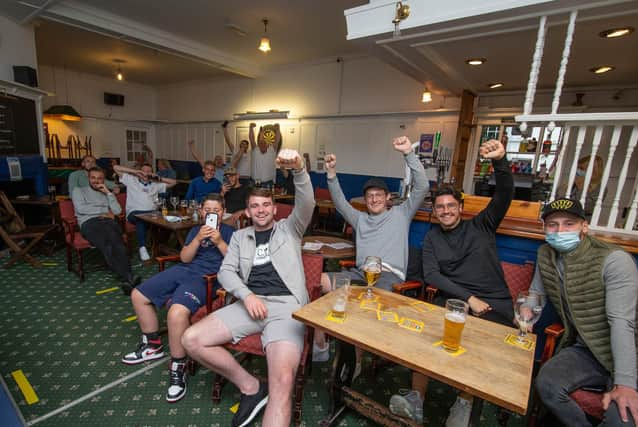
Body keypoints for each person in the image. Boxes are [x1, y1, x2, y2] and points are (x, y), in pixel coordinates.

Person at [181, 149, 314, 427]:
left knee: (282, 383)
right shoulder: (241, 236)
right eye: (255, 206)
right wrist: (247, 295)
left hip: (286, 309)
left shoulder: (291, 229)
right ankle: (252, 387)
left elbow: (307, 202)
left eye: (266, 205)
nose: (261, 210)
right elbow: (227, 272)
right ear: (248, 210)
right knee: (191, 339)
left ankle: (268, 393)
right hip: (249, 304)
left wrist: (300, 170)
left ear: (274, 209)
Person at [397, 138, 514, 426]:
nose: (446, 211)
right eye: (440, 207)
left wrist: (500, 162)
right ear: (433, 211)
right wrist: (467, 299)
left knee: (480, 352)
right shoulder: (432, 238)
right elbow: (432, 275)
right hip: (454, 301)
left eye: (451, 205)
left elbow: (505, 195)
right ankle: (417, 399)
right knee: (422, 335)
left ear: (460, 207)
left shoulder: (482, 225)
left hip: (494, 304)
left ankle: (464, 402)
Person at [317, 136, 428, 366]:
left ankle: (354, 361)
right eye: (370, 196)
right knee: (318, 282)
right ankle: (320, 343)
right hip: (360, 274)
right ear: (365, 200)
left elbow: (423, 186)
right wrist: (331, 174)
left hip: (388, 277)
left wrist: (408, 154)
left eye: (379, 195)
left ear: (389, 198)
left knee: (364, 308)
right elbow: (339, 203)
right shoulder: (360, 219)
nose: (374, 199)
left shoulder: (401, 213)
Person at [533, 198, 638, 427]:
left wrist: (626, 384)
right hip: (587, 350)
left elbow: (622, 322)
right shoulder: (545, 254)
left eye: (568, 224)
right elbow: (535, 296)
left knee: (622, 420)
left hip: (632, 353)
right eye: (553, 225)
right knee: (546, 384)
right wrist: (524, 311)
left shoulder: (615, 260)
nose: (560, 231)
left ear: (584, 226)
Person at [122, 194, 234, 403]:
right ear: (202, 211)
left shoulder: (231, 232)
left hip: (207, 278)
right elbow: (184, 258)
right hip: (185, 269)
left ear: (223, 212)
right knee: (138, 295)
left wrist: (218, 242)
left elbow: (235, 263)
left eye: (216, 210)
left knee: (176, 312)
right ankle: (153, 345)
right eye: (207, 210)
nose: (212, 214)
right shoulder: (195, 230)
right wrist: (199, 239)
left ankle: (178, 366)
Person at [71, 167, 139, 295]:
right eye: (93, 178)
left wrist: (108, 193)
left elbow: (117, 211)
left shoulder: (107, 192)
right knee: (106, 245)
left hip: (108, 223)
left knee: (118, 244)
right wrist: (104, 211)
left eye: (100, 178)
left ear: (103, 179)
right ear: (88, 178)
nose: (96, 181)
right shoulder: (79, 191)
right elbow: (81, 209)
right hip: (89, 224)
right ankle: (129, 277)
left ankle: (128, 280)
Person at [113, 163, 177, 261]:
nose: (146, 173)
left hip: (153, 213)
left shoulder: (156, 184)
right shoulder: (131, 180)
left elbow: (174, 182)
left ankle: (160, 246)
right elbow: (115, 168)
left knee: (168, 221)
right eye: (144, 170)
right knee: (141, 220)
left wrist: (159, 178)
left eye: (149, 171)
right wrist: (136, 172)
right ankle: (142, 248)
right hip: (134, 213)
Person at [250, 122, 282, 188]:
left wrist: (278, 129)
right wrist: (251, 128)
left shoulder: (272, 151)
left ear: (268, 144)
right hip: (255, 182)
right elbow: (252, 139)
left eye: (264, 143)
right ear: (258, 144)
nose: (262, 144)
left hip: (268, 183)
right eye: (261, 143)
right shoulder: (255, 150)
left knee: (268, 198)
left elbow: (277, 140)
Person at [223, 121, 252, 185]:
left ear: (247, 146)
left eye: (244, 144)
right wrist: (225, 129)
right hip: (237, 178)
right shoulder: (235, 151)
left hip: (247, 179)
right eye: (241, 144)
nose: (243, 145)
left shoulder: (250, 153)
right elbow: (228, 140)